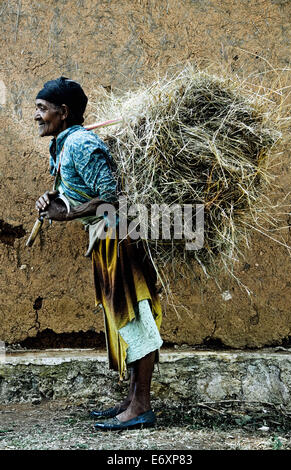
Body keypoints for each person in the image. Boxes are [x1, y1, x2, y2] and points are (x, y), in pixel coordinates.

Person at [34, 77, 163, 431]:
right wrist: (54, 199)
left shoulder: (80, 144)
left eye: (42, 109)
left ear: (63, 113)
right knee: (124, 318)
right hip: (106, 239)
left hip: (121, 237)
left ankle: (141, 406)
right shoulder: (65, 145)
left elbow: (113, 199)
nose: (37, 116)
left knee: (135, 319)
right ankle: (134, 398)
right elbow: (79, 193)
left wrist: (69, 213)